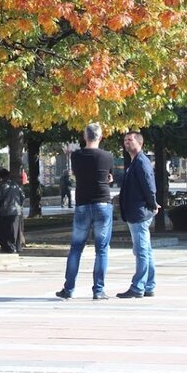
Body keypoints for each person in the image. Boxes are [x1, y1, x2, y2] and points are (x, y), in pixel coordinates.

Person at [55, 122, 114, 300]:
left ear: (84, 136)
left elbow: (78, 173)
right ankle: (98, 290)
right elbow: (108, 176)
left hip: (82, 204)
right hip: (102, 203)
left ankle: (69, 288)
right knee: (102, 249)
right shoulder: (107, 156)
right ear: (100, 137)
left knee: (76, 248)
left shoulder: (77, 156)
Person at [116, 131, 160, 298]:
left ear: (139, 143)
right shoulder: (135, 162)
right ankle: (149, 285)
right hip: (136, 212)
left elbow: (149, 186)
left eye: (130, 140)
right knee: (145, 250)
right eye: (125, 140)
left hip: (139, 213)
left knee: (141, 251)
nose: (127, 142)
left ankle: (138, 287)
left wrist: (152, 204)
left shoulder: (141, 162)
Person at [0, 168, 25, 253]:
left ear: (0, 177)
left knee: (3, 231)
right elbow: (22, 196)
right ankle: (15, 246)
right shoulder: (15, 185)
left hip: (5, 212)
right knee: (14, 231)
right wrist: (19, 206)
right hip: (16, 211)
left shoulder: (0, 186)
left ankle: (8, 248)